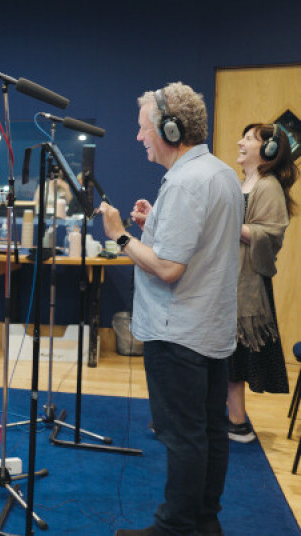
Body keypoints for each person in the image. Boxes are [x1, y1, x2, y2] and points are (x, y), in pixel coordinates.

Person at [100, 82, 242, 536]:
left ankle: (175, 528)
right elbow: (197, 246)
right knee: (210, 431)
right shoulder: (221, 173)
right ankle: (203, 521)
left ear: (170, 129)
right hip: (210, 328)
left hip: (177, 332)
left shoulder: (184, 182)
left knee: (182, 436)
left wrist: (121, 235)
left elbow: (167, 268)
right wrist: (154, 223)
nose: (139, 137)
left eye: (144, 128)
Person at [226, 123, 296, 443]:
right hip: (229, 278)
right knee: (228, 354)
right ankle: (233, 419)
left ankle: (238, 423)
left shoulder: (268, 186)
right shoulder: (243, 182)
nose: (240, 143)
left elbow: (270, 235)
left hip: (247, 285)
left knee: (236, 354)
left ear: (268, 149)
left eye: (248, 138)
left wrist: (227, 222)